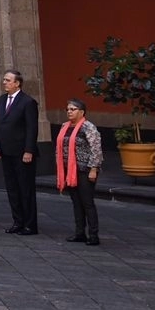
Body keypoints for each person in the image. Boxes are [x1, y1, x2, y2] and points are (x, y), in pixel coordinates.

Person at [0, 68, 40, 234]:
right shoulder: (1, 100)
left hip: (22, 152)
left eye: (8, 80)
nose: (4, 82)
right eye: (4, 80)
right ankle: (17, 221)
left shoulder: (28, 102)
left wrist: (29, 150)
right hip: (6, 151)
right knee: (12, 188)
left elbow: (32, 128)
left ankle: (30, 224)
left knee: (25, 188)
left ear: (17, 83)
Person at [55, 99, 102, 245]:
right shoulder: (65, 126)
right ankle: (79, 232)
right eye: (68, 109)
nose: (69, 111)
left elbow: (96, 149)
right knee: (76, 202)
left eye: (73, 109)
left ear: (81, 112)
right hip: (70, 170)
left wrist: (94, 168)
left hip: (85, 170)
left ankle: (93, 235)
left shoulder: (88, 127)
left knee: (87, 203)